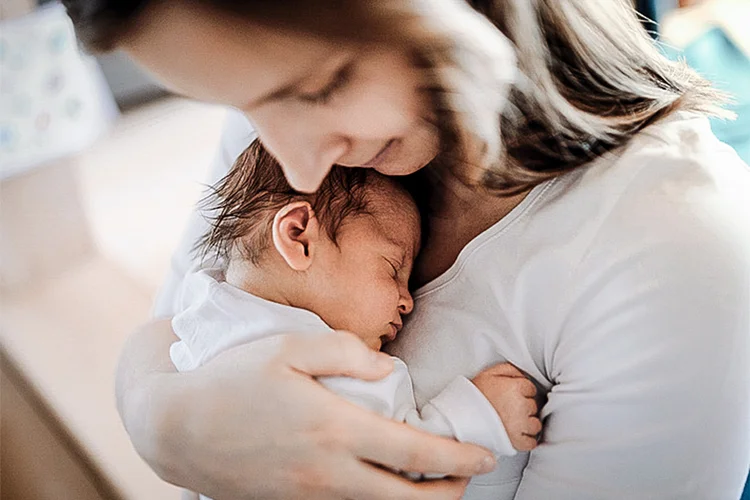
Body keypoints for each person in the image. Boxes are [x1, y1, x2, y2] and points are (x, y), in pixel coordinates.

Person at [63, 0, 750, 498]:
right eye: (242, 104)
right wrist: (162, 422)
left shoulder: (676, 251)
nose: (295, 165)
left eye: (319, 88)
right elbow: (174, 322)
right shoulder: (285, 143)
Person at [172, 139, 541, 499]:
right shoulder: (322, 361)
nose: (407, 301)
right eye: (394, 269)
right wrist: (477, 416)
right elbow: (389, 469)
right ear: (298, 237)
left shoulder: (205, 310)